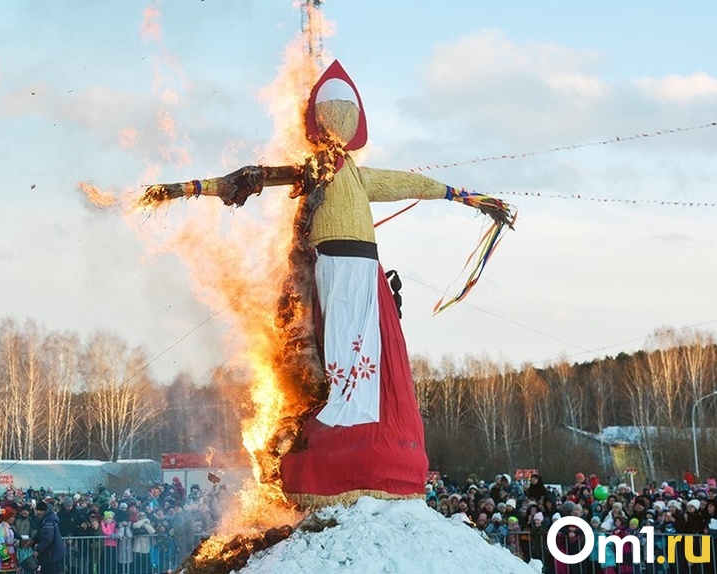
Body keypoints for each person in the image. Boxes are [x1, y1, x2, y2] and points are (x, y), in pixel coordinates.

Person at [141, 59, 514, 507]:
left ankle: (369, 452)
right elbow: (251, 179)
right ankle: (334, 452)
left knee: (360, 360)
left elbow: (409, 183)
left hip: (361, 272)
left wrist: (465, 196)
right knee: (332, 356)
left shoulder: (356, 174)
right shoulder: (318, 171)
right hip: (334, 269)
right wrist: (190, 188)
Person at [32, 502, 65, 574]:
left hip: (51, 555)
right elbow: (40, 533)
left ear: (44, 511)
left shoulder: (48, 521)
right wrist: (32, 541)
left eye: (39, 511)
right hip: (52, 555)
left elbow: (47, 538)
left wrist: (37, 550)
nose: (38, 513)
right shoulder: (47, 520)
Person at [0, 508, 16, 573]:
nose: (14, 519)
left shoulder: (9, 527)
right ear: (7, 517)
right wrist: (5, 558)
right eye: (12, 517)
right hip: (4, 556)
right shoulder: (1, 527)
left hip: (10, 553)